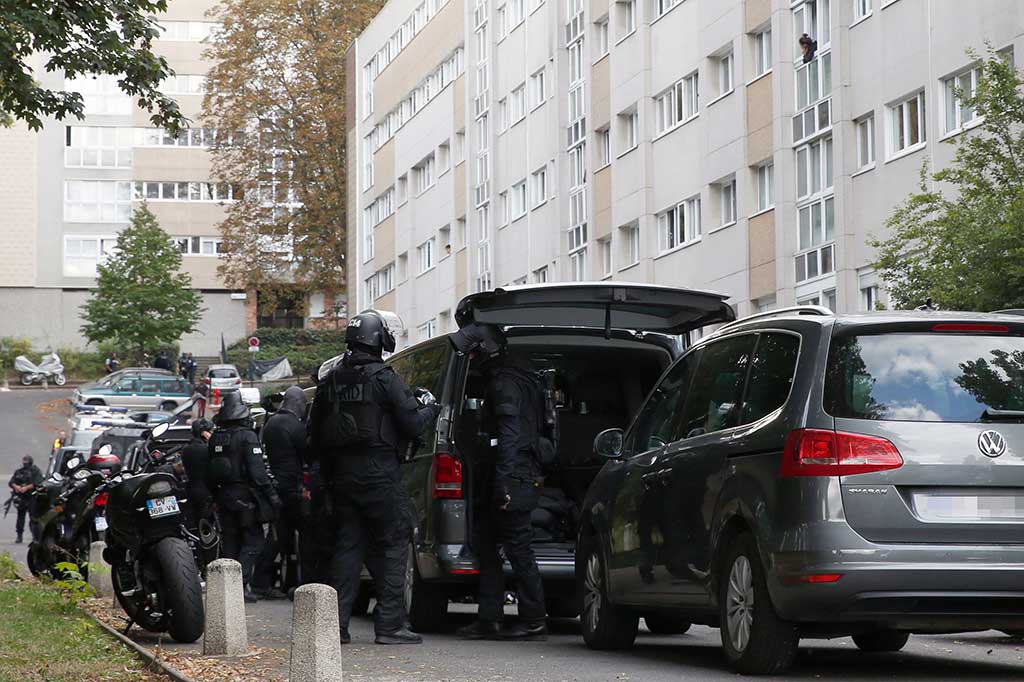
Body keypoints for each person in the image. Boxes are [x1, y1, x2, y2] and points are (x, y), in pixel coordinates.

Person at [307, 310, 439, 646]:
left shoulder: (330, 380)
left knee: (348, 549)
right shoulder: (384, 378)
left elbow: (313, 434)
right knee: (394, 545)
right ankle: (390, 626)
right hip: (380, 476)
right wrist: (430, 407)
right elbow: (412, 425)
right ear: (379, 339)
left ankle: (335, 627)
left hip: (341, 479)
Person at [449, 322, 548, 641]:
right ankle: (489, 617)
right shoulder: (513, 377)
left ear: (484, 351)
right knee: (488, 546)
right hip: (507, 473)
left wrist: (503, 483)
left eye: (473, 352)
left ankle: (533, 619)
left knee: (518, 549)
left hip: (512, 475)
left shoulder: (506, 383)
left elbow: (510, 437)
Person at [207, 391, 281, 602]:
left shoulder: (215, 437)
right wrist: (272, 496)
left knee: (230, 540)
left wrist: (215, 497)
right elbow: (258, 473)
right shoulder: (247, 436)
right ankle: (239, 585)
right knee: (254, 540)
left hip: (223, 495)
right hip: (244, 496)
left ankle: (226, 587)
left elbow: (209, 472)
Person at [253, 386, 309, 599]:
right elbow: (306, 453)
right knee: (301, 537)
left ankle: (263, 580)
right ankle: (299, 582)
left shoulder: (271, 423)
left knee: (277, 536)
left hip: (277, 484)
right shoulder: (295, 426)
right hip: (292, 488)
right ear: (298, 404)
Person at [8, 456, 43, 543]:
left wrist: (26, 488)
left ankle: (35, 537)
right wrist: (17, 487)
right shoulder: (19, 471)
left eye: (26, 461)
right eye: (24, 461)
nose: (25, 463)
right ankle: (19, 536)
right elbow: (11, 482)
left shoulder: (35, 471)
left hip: (32, 497)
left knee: (33, 518)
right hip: (21, 498)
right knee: (20, 518)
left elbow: (38, 482)